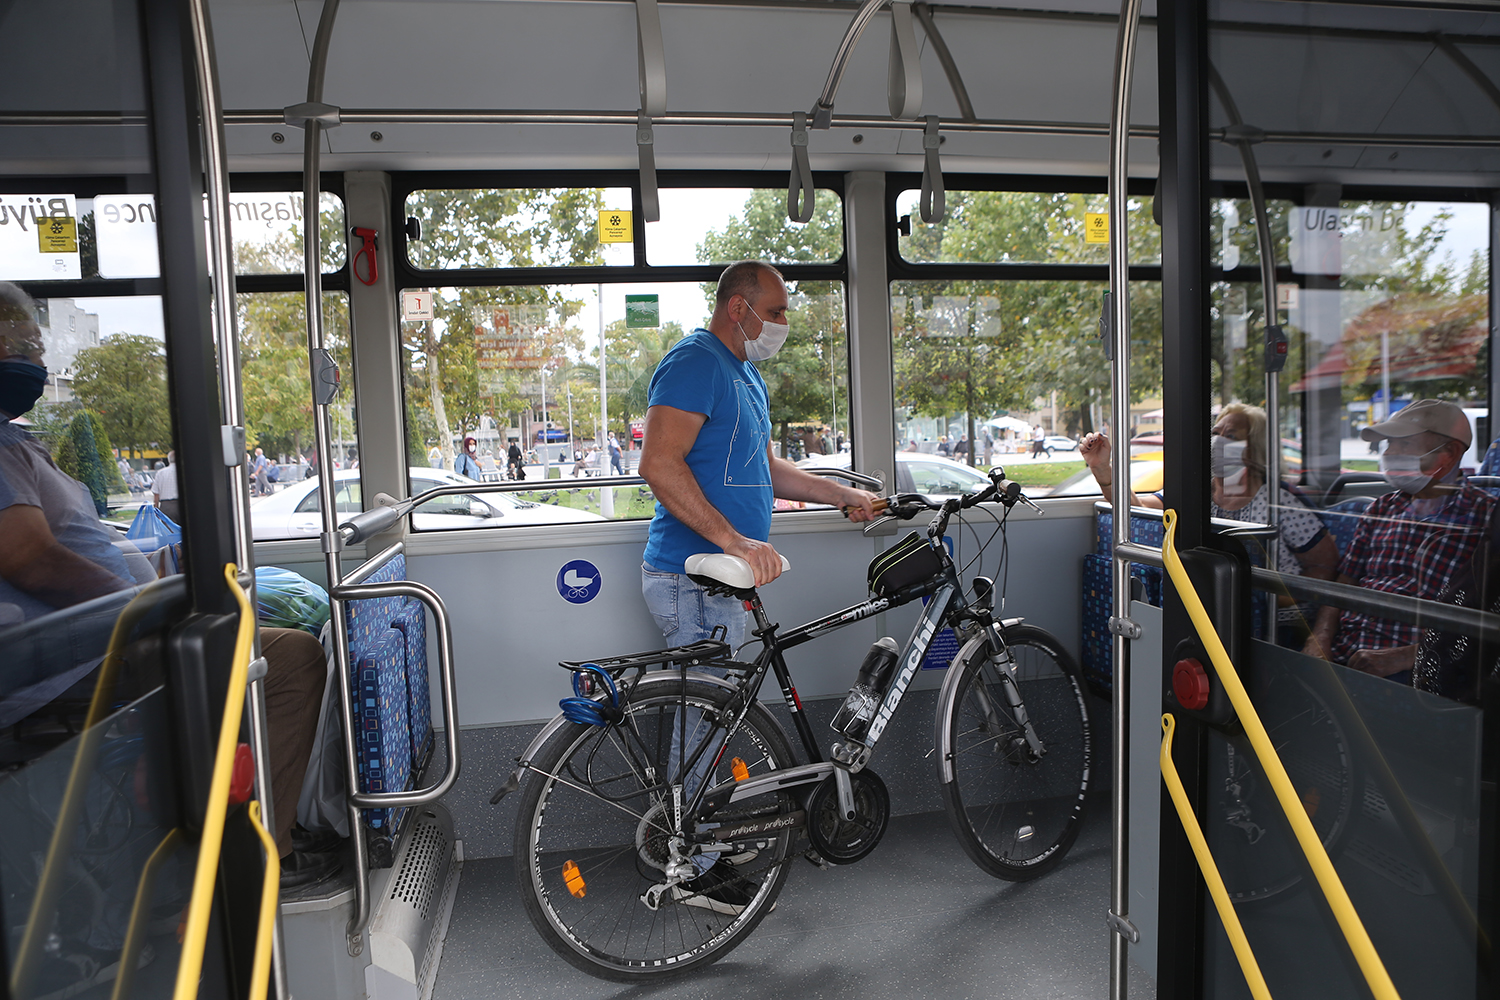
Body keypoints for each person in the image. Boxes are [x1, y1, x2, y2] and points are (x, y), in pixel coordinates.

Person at [637, 260, 878, 913]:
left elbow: (764, 467)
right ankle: (693, 866)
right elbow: (657, 463)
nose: (783, 325)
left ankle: (707, 835)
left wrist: (841, 495)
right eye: (775, 312)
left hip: (723, 578)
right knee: (702, 726)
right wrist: (736, 542)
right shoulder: (695, 361)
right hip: (693, 577)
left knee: (714, 722)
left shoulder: (743, 374)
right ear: (737, 308)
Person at [1081, 403, 1338, 641]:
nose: (1218, 441)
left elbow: (1325, 566)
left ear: (1255, 449)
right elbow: (1136, 508)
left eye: (1232, 436)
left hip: (1278, 624)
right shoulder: (1197, 493)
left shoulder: (1280, 500)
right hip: (1220, 614)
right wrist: (1103, 469)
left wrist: (1267, 599)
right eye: (1216, 432)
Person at [1303, 399, 1497, 683]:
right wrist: (1319, 638)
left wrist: (1409, 657)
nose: (1391, 454)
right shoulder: (1381, 509)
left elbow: (1487, 627)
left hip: (1423, 674)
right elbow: (1344, 585)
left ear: (1450, 453)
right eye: (1389, 445)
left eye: (1404, 444)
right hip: (1346, 653)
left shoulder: (1488, 518)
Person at [152, 451, 181, 525]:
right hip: (180, 504)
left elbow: (156, 494)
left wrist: (156, 509)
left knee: (169, 531)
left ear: (168, 460)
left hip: (166, 506)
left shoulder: (161, 473)